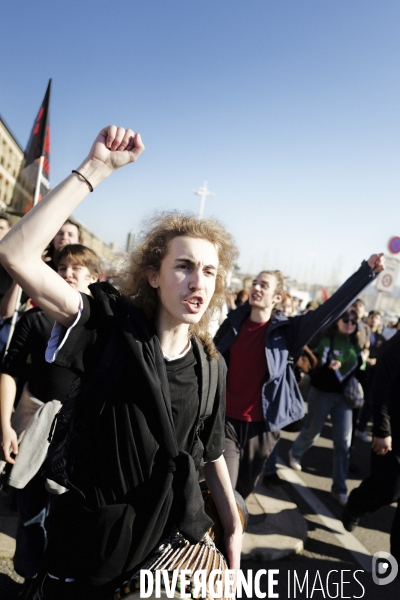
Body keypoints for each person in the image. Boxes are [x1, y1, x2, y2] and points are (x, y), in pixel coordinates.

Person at [0, 125, 242, 600]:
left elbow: (210, 450)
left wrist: (231, 526)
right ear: (152, 275)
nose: (199, 281)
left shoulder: (211, 366)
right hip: (87, 554)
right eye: (184, 266)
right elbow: (16, 253)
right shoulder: (106, 328)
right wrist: (95, 170)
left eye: (209, 271)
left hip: (161, 560)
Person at [214, 258, 384, 501]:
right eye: (256, 283)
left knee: (242, 495)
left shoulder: (288, 330)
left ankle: (231, 534)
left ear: (277, 297)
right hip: (226, 422)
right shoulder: (232, 324)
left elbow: (331, 309)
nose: (257, 288)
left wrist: (366, 273)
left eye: (265, 285)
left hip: (261, 428)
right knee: (222, 496)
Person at [0, 245, 101, 600]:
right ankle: (29, 578)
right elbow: (10, 372)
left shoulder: (102, 328)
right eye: (62, 266)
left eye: (78, 268)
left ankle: (54, 579)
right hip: (33, 426)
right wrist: (6, 426)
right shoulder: (35, 319)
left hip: (76, 435)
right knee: (30, 511)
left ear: (94, 277)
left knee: (66, 517)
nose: (69, 272)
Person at [289, 308, 364, 506]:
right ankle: (295, 452)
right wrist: (326, 365)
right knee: (313, 431)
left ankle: (339, 488)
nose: (349, 323)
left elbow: (360, 366)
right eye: (346, 319)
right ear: (338, 322)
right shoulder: (326, 341)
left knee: (343, 443)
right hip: (322, 394)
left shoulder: (356, 344)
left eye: (354, 321)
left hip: (344, 399)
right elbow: (312, 363)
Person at [342, 327, 400, 563]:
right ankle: (356, 505)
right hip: (393, 432)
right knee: (390, 488)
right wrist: (382, 430)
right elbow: (381, 387)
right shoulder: (397, 345)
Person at [355, 310, 386, 443]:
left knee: (369, 402)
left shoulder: (382, 339)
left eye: (377, 317)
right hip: (358, 372)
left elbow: (384, 356)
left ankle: (360, 429)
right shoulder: (360, 331)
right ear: (367, 318)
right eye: (372, 316)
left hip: (372, 374)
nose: (374, 319)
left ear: (380, 322)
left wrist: (375, 361)